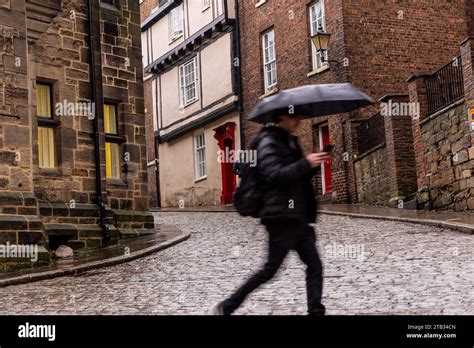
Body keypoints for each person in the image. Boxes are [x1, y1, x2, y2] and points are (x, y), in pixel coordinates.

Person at [210, 114, 329, 315]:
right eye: (293, 116)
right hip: (280, 217)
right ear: (281, 116)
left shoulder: (288, 140)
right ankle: (226, 306)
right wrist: (305, 163)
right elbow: (275, 175)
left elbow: (296, 177)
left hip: (297, 216)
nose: (298, 120)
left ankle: (316, 311)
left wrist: (312, 165)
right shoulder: (268, 141)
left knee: (315, 266)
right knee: (269, 270)